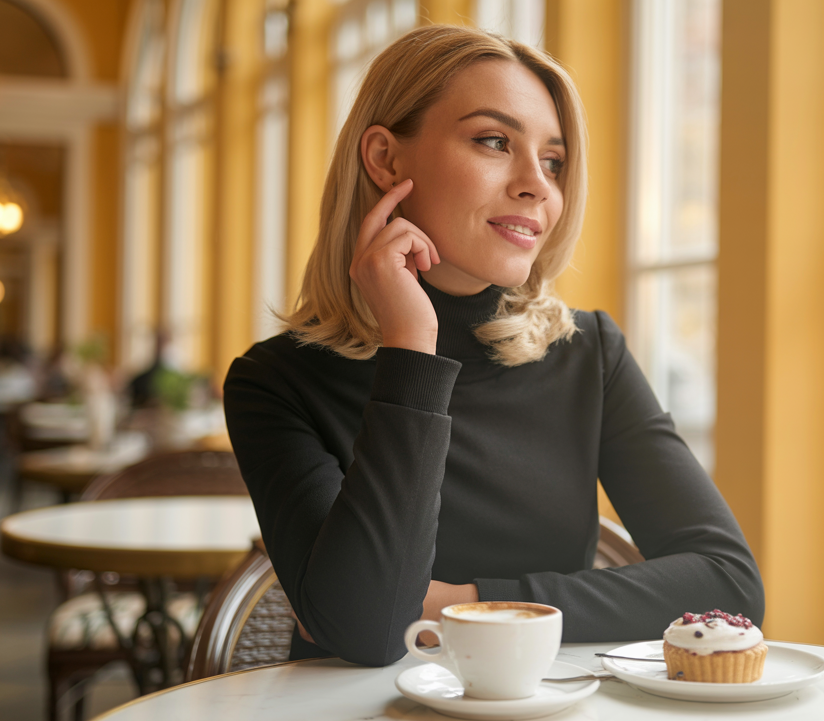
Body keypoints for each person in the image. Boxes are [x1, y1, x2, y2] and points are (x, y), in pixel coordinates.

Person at [223, 25, 764, 667]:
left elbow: (728, 584)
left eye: (553, 161)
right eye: (494, 141)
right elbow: (369, 630)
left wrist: (470, 606)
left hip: (548, 710)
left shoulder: (589, 353)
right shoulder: (274, 383)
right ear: (385, 159)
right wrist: (412, 351)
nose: (538, 184)